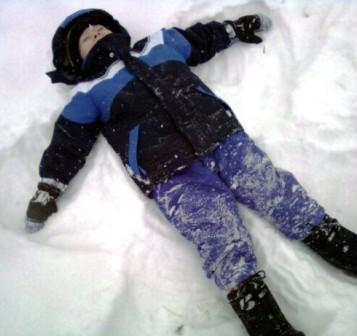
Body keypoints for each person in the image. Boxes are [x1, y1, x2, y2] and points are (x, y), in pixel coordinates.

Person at [25, 8, 357, 336]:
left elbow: (200, 39)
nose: (95, 31)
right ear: (73, 58)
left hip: (222, 137)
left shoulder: (158, 44)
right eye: (85, 36)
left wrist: (233, 29)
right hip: (169, 172)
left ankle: (336, 242)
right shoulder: (87, 93)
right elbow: (68, 144)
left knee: (273, 190)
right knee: (215, 232)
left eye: (98, 26)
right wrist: (49, 187)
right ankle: (264, 320)